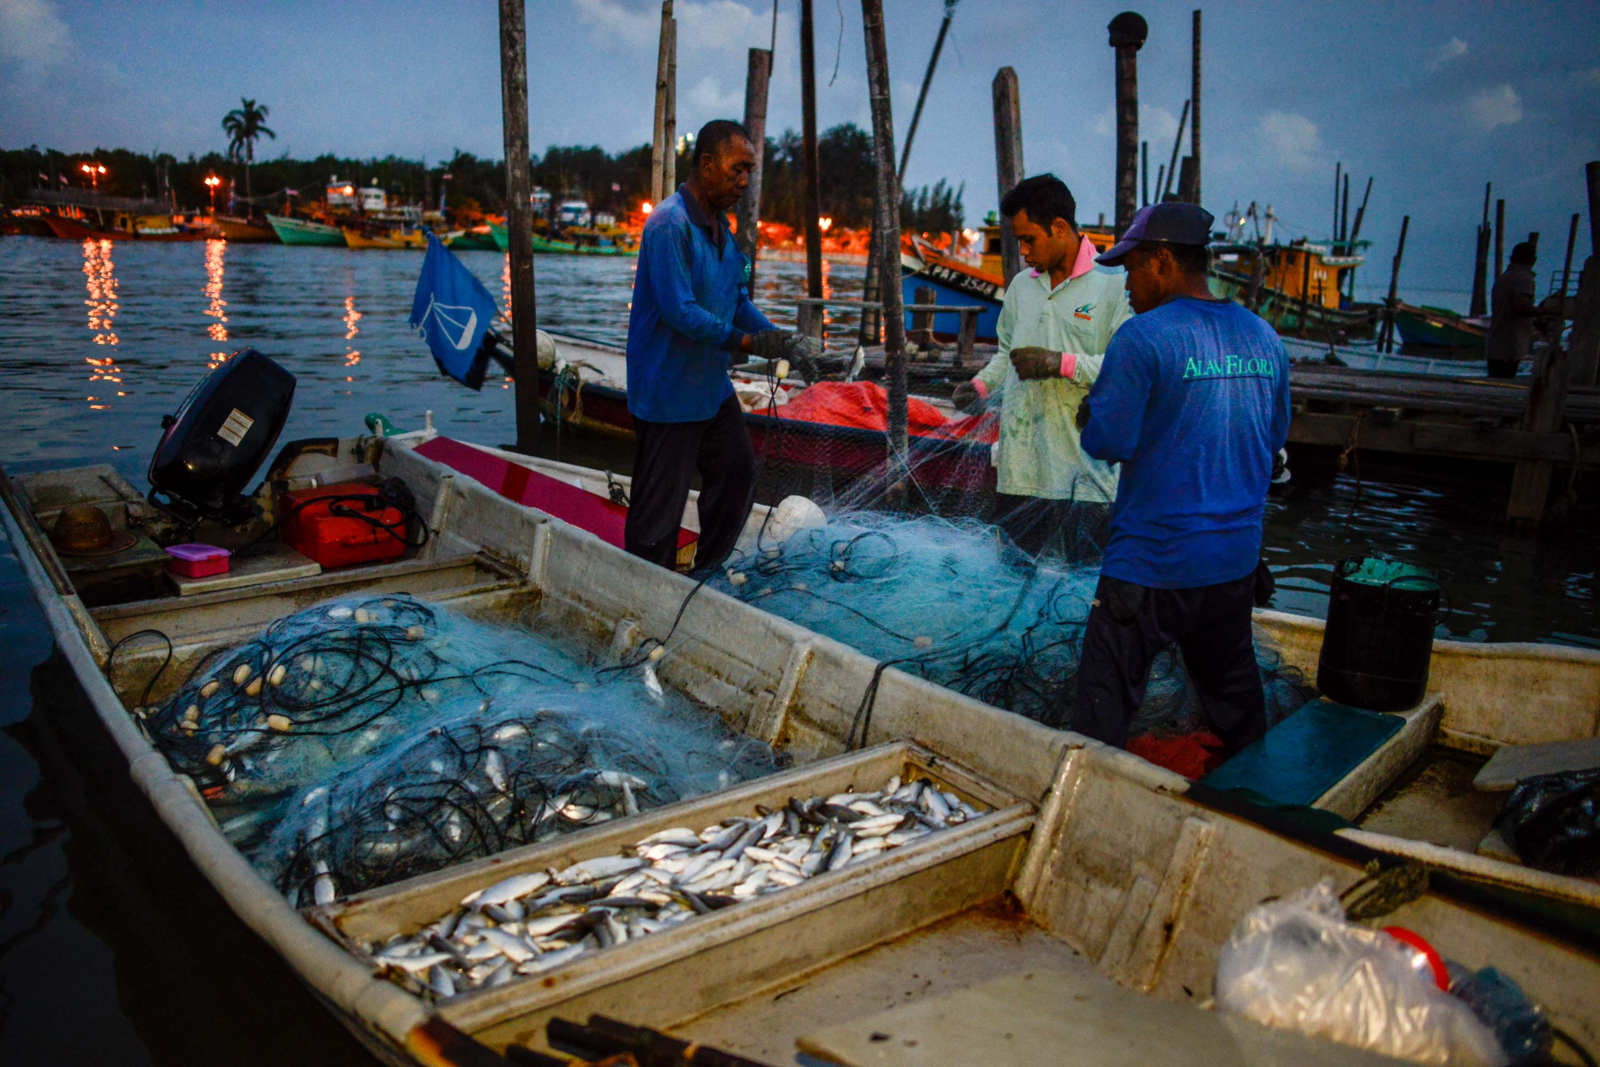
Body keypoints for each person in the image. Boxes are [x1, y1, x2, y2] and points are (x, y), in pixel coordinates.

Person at [1073, 202, 1290, 756]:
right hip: (1234, 563)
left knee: (1103, 706)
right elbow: (1272, 439)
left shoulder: (1143, 338)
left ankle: (1090, 814)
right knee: (1235, 694)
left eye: (1131, 269)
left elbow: (1108, 442)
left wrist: (1088, 416)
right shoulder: (1264, 337)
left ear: (1162, 261)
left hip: (1150, 565)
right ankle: (1254, 800)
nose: (1126, 287)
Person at [623, 119, 817, 571]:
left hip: (708, 389)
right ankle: (642, 585)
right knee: (657, 518)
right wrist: (748, 341)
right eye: (737, 169)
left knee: (737, 472)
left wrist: (782, 342)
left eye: (750, 171)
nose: (745, 181)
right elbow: (681, 312)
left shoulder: (722, 230)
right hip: (667, 393)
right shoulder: (668, 224)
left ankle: (707, 569)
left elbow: (736, 300)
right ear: (707, 164)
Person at [950, 174, 1132, 556]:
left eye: (1029, 239)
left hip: (1086, 481)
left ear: (1060, 227)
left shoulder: (1115, 284)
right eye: (1019, 241)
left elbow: (1127, 370)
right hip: (1020, 472)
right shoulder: (1021, 286)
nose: (1024, 251)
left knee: (1077, 596)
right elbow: (1006, 355)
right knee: (1012, 586)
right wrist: (981, 386)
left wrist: (1058, 363)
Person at [1486, 242, 1545, 379]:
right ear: (1533, 261)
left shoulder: (1503, 278)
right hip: (1510, 344)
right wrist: (1550, 310)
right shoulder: (1524, 278)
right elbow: (1521, 308)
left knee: (1496, 381)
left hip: (1496, 342)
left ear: (1512, 258)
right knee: (1504, 381)